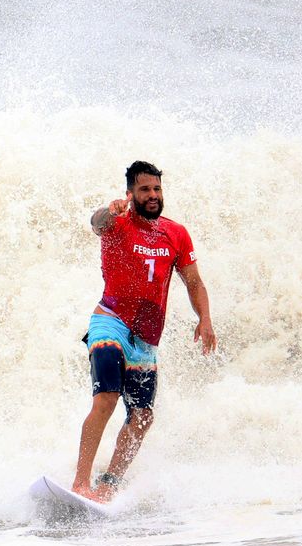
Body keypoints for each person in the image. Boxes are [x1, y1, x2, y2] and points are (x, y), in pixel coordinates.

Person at [72, 160, 216, 503]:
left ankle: (108, 484)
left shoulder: (176, 233)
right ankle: (80, 483)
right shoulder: (117, 223)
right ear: (130, 193)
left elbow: (193, 282)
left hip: (145, 340)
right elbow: (96, 223)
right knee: (106, 398)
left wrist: (205, 318)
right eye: (144, 190)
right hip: (109, 321)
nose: (152, 195)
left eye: (157, 189)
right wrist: (108, 211)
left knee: (142, 417)